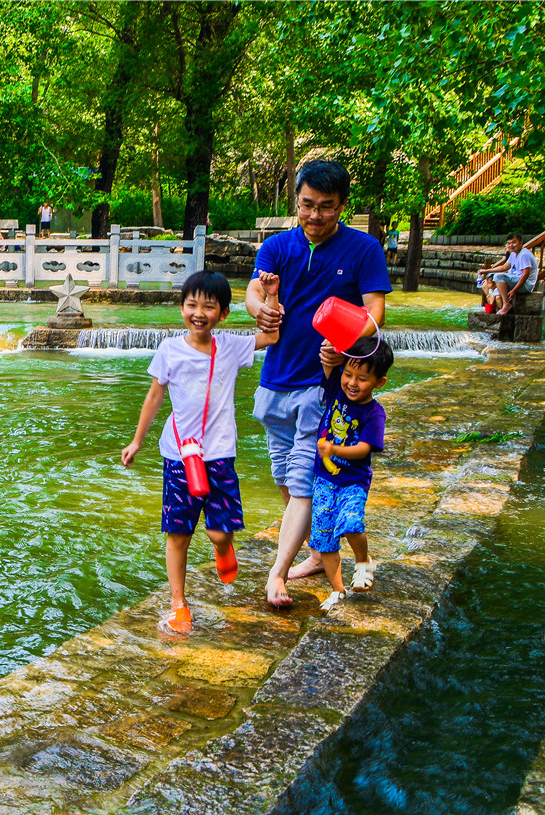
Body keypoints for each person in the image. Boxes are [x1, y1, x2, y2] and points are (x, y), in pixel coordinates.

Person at [246, 160, 391, 609]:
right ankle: (316, 552)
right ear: (297, 201)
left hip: (321, 385)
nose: (315, 215)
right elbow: (253, 291)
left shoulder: (363, 249)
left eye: (326, 208)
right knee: (287, 479)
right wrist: (260, 310)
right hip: (274, 381)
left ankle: (277, 573)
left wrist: (345, 342)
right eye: (307, 205)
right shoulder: (277, 246)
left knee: (304, 480)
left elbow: (375, 313)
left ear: (342, 205)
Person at [122, 271, 281, 632]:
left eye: (208, 307)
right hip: (179, 455)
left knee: (220, 532)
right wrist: (137, 441)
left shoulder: (230, 347)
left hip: (220, 454)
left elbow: (272, 335)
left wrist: (271, 295)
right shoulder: (169, 351)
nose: (198, 312)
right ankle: (179, 603)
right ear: (181, 308)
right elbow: (154, 395)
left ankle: (223, 550)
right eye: (191, 304)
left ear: (222, 314)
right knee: (178, 532)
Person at [311, 338, 392, 612]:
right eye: (348, 374)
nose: (352, 383)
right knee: (324, 536)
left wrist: (334, 448)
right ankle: (337, 590)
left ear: (379, 382)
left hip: (352, 482)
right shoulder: (336, 387)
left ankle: (363, 561)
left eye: (362, 378)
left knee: (350, 522)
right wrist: (331, 345)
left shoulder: (374, 413)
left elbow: (364, 449)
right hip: (324, 478)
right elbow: (327, 360)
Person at [476, 234, 537, 317]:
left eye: (514, 243)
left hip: (526, 284)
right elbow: (504, 267)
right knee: (490, 277)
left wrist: (514, 290)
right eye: (509, 243)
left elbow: (526, 274)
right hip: (515, 279)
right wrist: (486, 270)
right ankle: (492, 306)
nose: (511, 245)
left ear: (521, 243)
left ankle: (506, 304)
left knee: (498, 277)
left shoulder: (524, 255)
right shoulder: (513, 254)